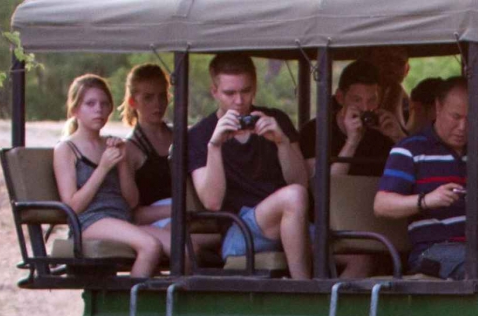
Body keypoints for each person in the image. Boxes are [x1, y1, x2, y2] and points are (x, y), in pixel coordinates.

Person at [186, 53, 311, 278]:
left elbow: (301, 182)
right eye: (229, 93)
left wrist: (282, 142)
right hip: (238, 233)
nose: (239, 101)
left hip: (288, 221)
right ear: (214, 91)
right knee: (292, 197)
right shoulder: (200, 135)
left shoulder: (276, 119)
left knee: (356, 253)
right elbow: (212, 203)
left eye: (246, 91)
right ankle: (306, 291)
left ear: (254, 87)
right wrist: (214, 146)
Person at [374, 78, 478, 279]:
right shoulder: (410, 149)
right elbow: (381, 205)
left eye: (472, 118)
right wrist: (427, 200)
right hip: (435, 251)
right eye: (456, 116)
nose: (462, 127)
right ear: (437, 107)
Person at [53, 74, 169, 278]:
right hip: (90, 221)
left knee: (182, 248)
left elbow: (132, 201)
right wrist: (103, 168)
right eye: (90, 104)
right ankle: (131, 308)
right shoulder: (67, 149)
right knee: (150, 246)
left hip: (123, 218)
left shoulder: (112, 144)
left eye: (104, 104)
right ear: (75, 110)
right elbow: (72, 206)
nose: (98, 109)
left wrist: (123, 163)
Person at [299, 60, 406, 179]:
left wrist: (398, 137)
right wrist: (352, 142)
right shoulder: (314, 131)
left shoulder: (384, 132)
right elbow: (323, 188)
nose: (365, 108)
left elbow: (421, 169)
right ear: (340, 98)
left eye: (372, 100)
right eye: (357, 100)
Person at [120, 63, 174, 228]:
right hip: (155, 223)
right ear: (132, 101)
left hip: (190, 216)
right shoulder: (130, 148)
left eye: (162, 96)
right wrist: (175, 210)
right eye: (148, 98)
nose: (157, 104)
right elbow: (131, 211)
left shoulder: (180, 137)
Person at [368, 46, 411, 124]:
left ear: (407, 69)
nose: (392, 65)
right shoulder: (358, 104)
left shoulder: (413, 108)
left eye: (399, 62)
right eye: (383, 60)